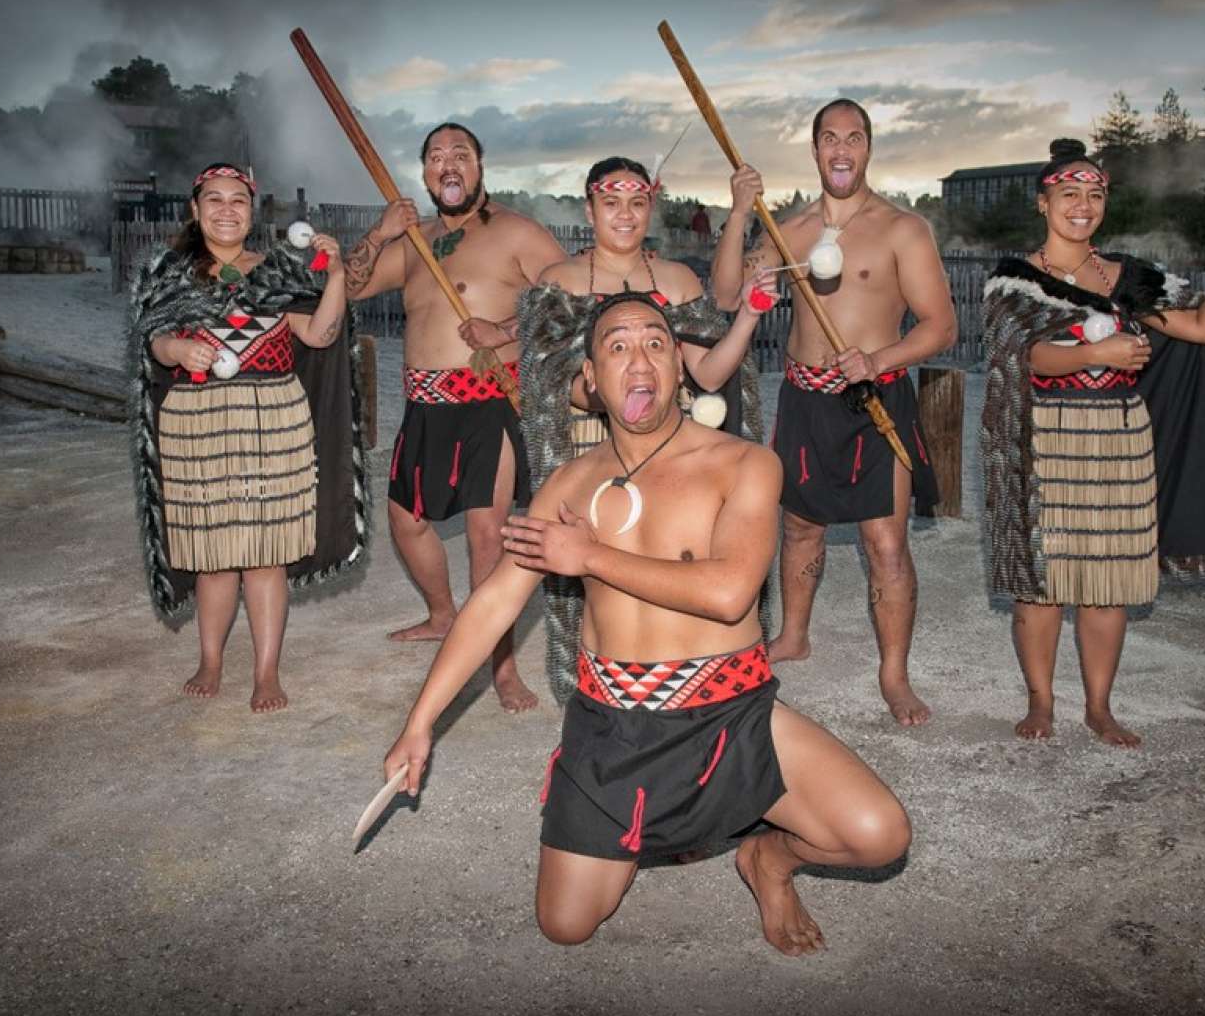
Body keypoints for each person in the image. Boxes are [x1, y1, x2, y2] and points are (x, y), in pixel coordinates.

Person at [383, 294, 912, 955]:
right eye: (618, 346)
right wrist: (418, 723)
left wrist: (592, 556)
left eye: (656, 344)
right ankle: (641, 822)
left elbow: (727, 593)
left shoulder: (743, 462)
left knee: (878, 834)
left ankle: (765, 862)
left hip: (732, 713)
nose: (640, 360)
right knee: (566, 926)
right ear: (590, 380)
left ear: (679, 371)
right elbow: (493, 603)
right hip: (614, 728)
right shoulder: (567, 487)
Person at [981, 138, 1205, 747]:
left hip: (1121, 437)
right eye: (1070, 193)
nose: (1083, 205)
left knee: (1108, 582)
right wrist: (1097, 351)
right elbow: (1026, 357)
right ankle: (1042, 701)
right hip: (1047, 440)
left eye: (1095, 194)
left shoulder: (1129, 276)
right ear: (1043, 201)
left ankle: (1100, 708)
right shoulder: (1014, 279)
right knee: (1044, 581)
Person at [711, 98, 957, 726]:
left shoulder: (904, 229)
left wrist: (880, 359)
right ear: (815, 149)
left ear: (868, 148)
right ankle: (794, 635)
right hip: (803, 399)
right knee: (799, 529)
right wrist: (740, 215)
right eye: (829, 139)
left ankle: (894, 674)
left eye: (853, 138)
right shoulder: (788, 230)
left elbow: (942, 326)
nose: (841, 150)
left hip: (876, 399)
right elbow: (727, 293)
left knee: (886, 544)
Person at [521, 156, 773, 700]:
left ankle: (684, 690)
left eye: (637, 203)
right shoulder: (557, 283)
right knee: (600, 590)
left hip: (668, 446)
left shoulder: (679, 280)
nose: (625, 215)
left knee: (664, 566)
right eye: (611, 203)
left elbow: (706, 372)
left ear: (650, 208)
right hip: (588, 449)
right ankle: (604, 698)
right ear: (589, 208)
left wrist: (749, 316)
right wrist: (618, 388)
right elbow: (550, 380)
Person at [128, 162, 370, 712]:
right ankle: (211, 660)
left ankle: (266, 672)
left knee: (266, 554)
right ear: (194, 209)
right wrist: (178, 351)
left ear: (252, 210)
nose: (226, 209)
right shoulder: (170, 274)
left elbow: (320, 333)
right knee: (214, 555)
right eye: (214, 199)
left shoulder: (277, 271)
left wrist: (334, 278)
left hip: (274, 416)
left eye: (238, 200)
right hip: (196, 419)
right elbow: (153, 343)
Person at [344, 123, 567, 712]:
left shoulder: (517, 232)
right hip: (423, 405)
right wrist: (381, 230)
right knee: (406, 522)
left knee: (486, 533)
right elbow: (349, 287)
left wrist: (505, 331)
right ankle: (444, 615)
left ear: (479, 166)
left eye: (460, 155)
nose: (449, 165)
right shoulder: (414, 245)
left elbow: (573, 301)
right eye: (436, 157)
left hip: (489, 402)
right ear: (423, 174)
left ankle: (502, 665)